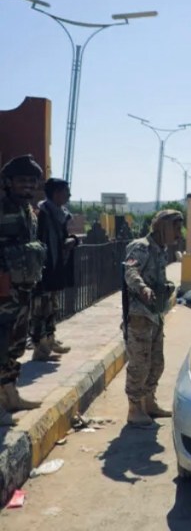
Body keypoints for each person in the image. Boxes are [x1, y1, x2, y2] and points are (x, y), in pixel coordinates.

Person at [123, 209, 183, 428]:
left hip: (155, 315)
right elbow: (130, 271)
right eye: (175, 228)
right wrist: (143, 288)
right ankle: (134, 408)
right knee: (139, 364)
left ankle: (149, 402)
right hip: (140, 315)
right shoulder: (141, 247)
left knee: (156, 363)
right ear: (163, 226)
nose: (179, 233)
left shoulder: (161, 250)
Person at [0, 155, 47, 426]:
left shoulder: (28, 211)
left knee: (15, 344)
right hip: (3, 290)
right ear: (8, 182)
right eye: (22, 181)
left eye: (32, 181)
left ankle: (10, 395)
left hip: (22, 289)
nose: (28, 185)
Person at [31, 178, 79, 362]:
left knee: (52, 307)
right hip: (43, 270)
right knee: (40, 309)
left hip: (55, 267)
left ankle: (50, 341)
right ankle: (40, 348)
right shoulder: (42, 215)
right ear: (56, 193)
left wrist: (72, 240)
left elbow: (60, 240)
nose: (69, 195)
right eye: (66, 191)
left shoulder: (59, 215)